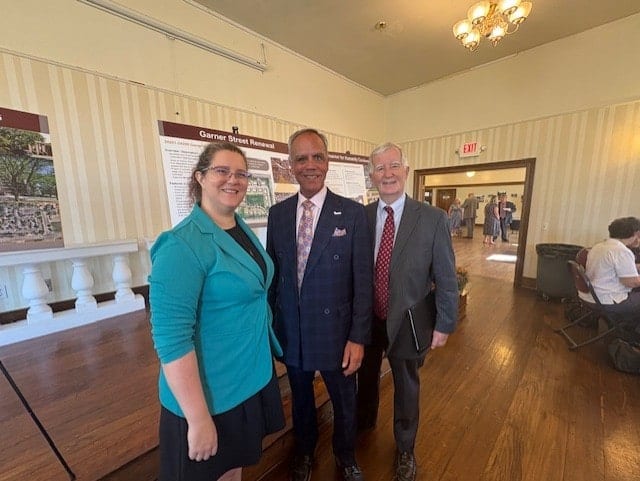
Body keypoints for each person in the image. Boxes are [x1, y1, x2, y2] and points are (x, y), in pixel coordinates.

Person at [149, 142, 284, 481]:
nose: (233, 180)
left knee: (232, 469)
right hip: (208, 394)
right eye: (222, 171)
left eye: (241, 173)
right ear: (200, 177)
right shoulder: (181, 244)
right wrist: (197, 419)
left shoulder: (238, 228)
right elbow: (171, 340)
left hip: (245, 379)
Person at [267, 128, 373, 481]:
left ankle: (345, 456)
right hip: (294, 330)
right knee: (301, 401)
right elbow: (275, 276)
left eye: (317, 157)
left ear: (327, 162)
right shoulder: (277, 214)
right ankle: (304, 452)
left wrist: (358, 338)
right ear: (290, 166)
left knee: (344, 403)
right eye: (301, 158)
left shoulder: (354, 214)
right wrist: (270, 328)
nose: (310, 165)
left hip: (337, 335)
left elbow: (363, 283)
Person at [356, 143, 458, 481]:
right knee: (365, 378)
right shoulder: (363, 216)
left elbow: (445, 275)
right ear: (371, 176)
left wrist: (444, 323)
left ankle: (405, 448)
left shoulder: (432, 218)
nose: (387, 173)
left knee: (406, 387)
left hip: (410, 321)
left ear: (406, 171)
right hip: (368, 320)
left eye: (394, 166)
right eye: (380, 168)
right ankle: (364, 425)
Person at [580, 217, 640, 340]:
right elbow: (631, 283)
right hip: (606, 301)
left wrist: (636, 267)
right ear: (634, 234)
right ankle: (628, 336)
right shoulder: (622, 251)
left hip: (589, 295)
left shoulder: (600, 246)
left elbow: (618, 267)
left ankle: (620, 327)